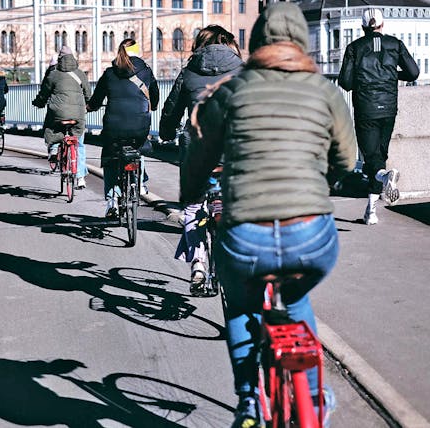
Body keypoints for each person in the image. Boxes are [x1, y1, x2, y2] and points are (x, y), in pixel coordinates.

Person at [181, 3, 357, 427]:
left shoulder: (229, 91)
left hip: (246, 233)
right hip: (311, 234)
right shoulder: (326, 91)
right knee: (295, 297)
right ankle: (314, 396)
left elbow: (199, 159)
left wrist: (188, 199)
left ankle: (247, 402)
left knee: (241, 306)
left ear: (256, 42)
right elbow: (347, 162)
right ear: (301, 41)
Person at [159, 25, 243, 295]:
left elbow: (172, 109)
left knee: (194, 206)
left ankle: (198, 266)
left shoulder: (190, 71)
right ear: (229, 44)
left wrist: (166, 131)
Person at [338, 8, 419, 225]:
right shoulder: (395, 44)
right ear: (383, 25)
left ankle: (384, 177)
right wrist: (392, 74)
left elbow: (345, 82)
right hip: (389, 109)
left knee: (371, 159)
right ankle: (371, 212)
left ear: (363, 27)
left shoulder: (355, 48)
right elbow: (413, 73)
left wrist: (363, 80)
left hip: (366, 109)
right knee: (379, 156)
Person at [87, 39, 159, 217]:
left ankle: (112, 199)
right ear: (137, 52)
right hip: (140, 125)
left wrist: (90, 107)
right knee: (138, 148)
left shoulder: (110, 73)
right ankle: (140, 183)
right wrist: (153, 105)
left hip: (114, 126)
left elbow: (96, 99)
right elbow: (155, 97)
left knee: (111, 157)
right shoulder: (146, 72)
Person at [33, 45, 91, 189]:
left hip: (58, 115)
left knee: (51, 124)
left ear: (60, 59)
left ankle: (53, 149)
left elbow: (44, 94)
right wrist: (89, 105)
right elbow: (89, 94)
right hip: (78, 116)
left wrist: (38, 102)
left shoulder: (53, 74)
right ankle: (81, 177)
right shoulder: (80, 74)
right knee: (80, 143)